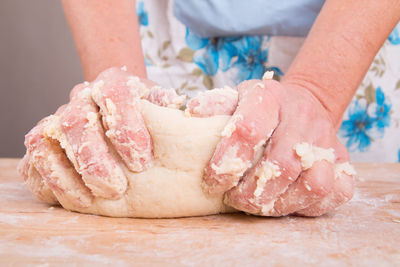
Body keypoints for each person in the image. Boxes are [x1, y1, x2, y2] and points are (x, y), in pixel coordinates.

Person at [25, 0, 399, 216]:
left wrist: (318, 93)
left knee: (318, 187)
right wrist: (116, 80)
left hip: (351, 44)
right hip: (164, 39)